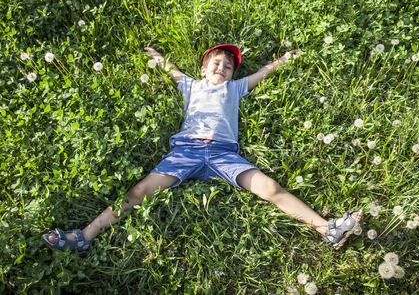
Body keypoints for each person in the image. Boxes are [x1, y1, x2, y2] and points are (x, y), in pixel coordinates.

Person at [43, 43, 362, 255]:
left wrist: (282, 60)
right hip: (186, 152)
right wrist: (156, 56)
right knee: (140, 190)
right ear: (205, 67)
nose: (222, 67)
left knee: (270, 187)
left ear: (233, 73)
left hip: (225, 154)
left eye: (227, 66)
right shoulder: (191, 85)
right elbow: (169, 68)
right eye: (216, 63)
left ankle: (326, 229)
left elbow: (263, 73)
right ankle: (84, 236)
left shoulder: (236, 88)